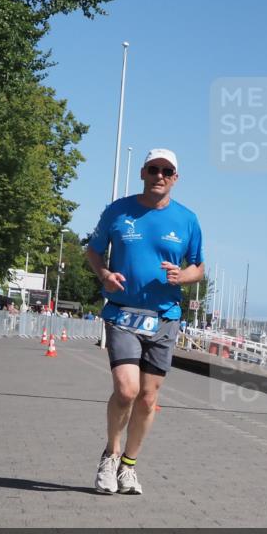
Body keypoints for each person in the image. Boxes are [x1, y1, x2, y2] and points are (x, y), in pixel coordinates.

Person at [85, 149, 204, 494]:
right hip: (123, 312)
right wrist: (104, 273)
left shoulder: (187, 220)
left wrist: (182, 277)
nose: (160, 175)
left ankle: (129, 466)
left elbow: (199, 267)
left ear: (175, 178)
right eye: (154, 169)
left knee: (148, 399)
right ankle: (110, 454)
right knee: (126, 390)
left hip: (165, 318)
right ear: (143, 173)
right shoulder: (118, 211)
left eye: (167, 171)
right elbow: (93, 250)